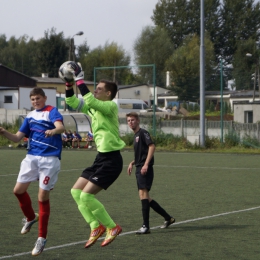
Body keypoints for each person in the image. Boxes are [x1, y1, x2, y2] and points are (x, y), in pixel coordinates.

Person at [64, 62, 125, 248]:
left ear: (108, 94)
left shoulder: (111, 106)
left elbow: (89, 100)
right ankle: (95, 226)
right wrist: (68, 84)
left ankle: (112, 227)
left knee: (86, 197)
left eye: (98, 89)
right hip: (100, 159)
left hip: (112, 160)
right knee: (75, 192)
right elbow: (72, 102)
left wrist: (79, 78)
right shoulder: (93, 107)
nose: (95, 91)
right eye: (95, 88)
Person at [0, 87, 64, 256]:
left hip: (49, 159)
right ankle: (30, 217)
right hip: (31, 158)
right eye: (33, 99)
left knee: (42, 197)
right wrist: (4, 132)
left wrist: (53, 130)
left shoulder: (51, 111)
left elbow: (61, 127)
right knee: (18, 191)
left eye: (38, 98)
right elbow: (17, 138)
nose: (35, 101)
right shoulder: (29, 116)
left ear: (44, 98)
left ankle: (41, 238)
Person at [126, 112, 175, 234]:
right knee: (145, 198)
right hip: (139, 167)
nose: (130, 122)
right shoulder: (135, 135)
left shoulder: (143, 133)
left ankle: (145, 226)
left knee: (143, 195)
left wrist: (146, 164)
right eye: (128, 120)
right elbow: (142, 153)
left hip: (144, 169)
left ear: (138, 121)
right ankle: (168, 218)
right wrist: (133, 162)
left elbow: (152, 147)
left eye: (132, 120)